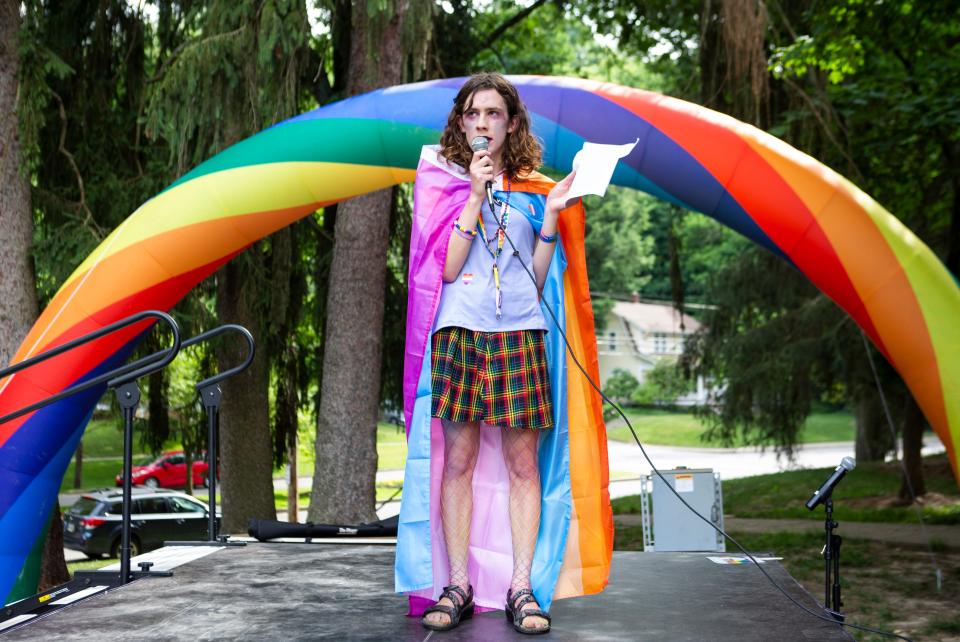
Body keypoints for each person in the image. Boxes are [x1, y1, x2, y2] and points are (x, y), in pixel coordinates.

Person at [395, 72, 610, 635]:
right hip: (461, 332)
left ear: (511, 123)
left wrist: (555, 215)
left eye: (494, 114)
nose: (483, 124)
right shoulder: (440, 179)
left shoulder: (535, 188)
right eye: (474, 114)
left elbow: (536, 279)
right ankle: (458, 584)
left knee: (523, 465)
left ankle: (521, 587)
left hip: (521, 333)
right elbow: (444, 266)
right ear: (461, 123)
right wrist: (473, 191)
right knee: (458, 461)